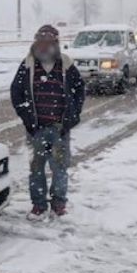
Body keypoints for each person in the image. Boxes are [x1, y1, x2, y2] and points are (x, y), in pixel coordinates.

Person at [10, 25, 85, 219]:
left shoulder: (66, 64)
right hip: (36, 129)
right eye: (40, 42)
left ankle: (58, 203)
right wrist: (27, 118)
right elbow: (16, 93)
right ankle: (39, 205)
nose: (44, 47)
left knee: (59, 168)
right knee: (36, 169)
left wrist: (73, 115)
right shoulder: (27, 65)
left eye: (48, 42)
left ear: (56, 43)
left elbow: (79, 89)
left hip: (60, 128)